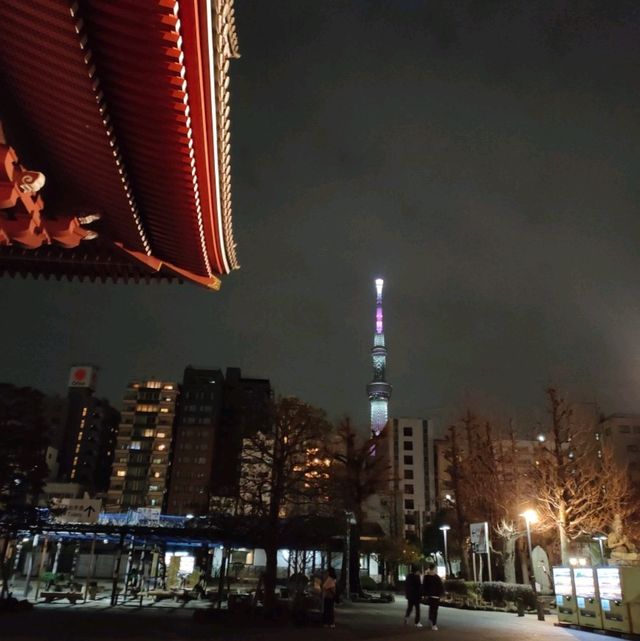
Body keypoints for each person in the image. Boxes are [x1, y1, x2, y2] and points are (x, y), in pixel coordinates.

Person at [423, 563, 444, 630]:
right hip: (436, 596)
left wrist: (425, 594)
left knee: (432, 609)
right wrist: (441, 594)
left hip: (430, 595)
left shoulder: (427, 577)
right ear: (434, 568)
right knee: (434, 610)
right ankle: (434, 624)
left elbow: (424, 586)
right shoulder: (436, 577)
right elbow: (441, 586)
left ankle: (431, 620)